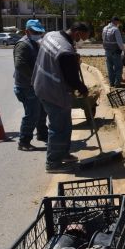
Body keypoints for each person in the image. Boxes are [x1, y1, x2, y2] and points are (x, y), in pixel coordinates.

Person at [32, 23, 90, 173]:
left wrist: (71, 60)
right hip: (54, 91)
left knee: (65, 124)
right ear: (77, 33)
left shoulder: (51, 35)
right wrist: (83, 89)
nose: (82, 41)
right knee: (58, 128)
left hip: (41, 84)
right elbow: (72, 79)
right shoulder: (66, 51)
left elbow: (54, 57)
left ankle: (63, 153)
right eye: (83, 38)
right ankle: (53, 163)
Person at [13, 19, 48, 151]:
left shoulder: (35, 43)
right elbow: (20, 65)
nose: (38, 34)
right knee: (32, 114)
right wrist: (34, 79)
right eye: (35, 32)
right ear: (27, 31)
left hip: (35, 85)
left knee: (42, 111)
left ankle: (42, 134)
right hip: (26, 86)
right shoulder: (23, 45)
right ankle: (24, 141)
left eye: (40, 32)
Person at [102, 16, 125, 88]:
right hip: (115, 51)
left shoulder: (105, 28)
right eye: (118, 22)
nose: (118, 24)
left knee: (110, 68)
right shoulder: (115, 30)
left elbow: (103, 40)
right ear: (116, 21)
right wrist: (124, 51)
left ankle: (111, 83)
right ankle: (117, 83)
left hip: (107, 51)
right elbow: (120, 43)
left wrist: (106, 49)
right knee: (118, 67)